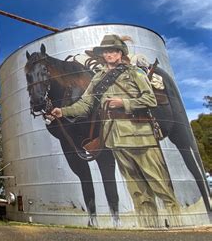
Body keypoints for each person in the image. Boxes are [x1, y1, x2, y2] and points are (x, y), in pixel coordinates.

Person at [48, 34, 179, 227]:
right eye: (106, 51)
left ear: (120, 53)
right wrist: (63, 111)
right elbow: (85, 104)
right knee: (137, 190)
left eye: (113, 51)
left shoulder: (135, 73)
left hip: (140, 136)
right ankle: (150, 227)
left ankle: (177, 224)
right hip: (116, 138)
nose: (109, 54)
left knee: (160, 184)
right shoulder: (98, 78)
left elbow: (149, 99)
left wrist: (123, 103)